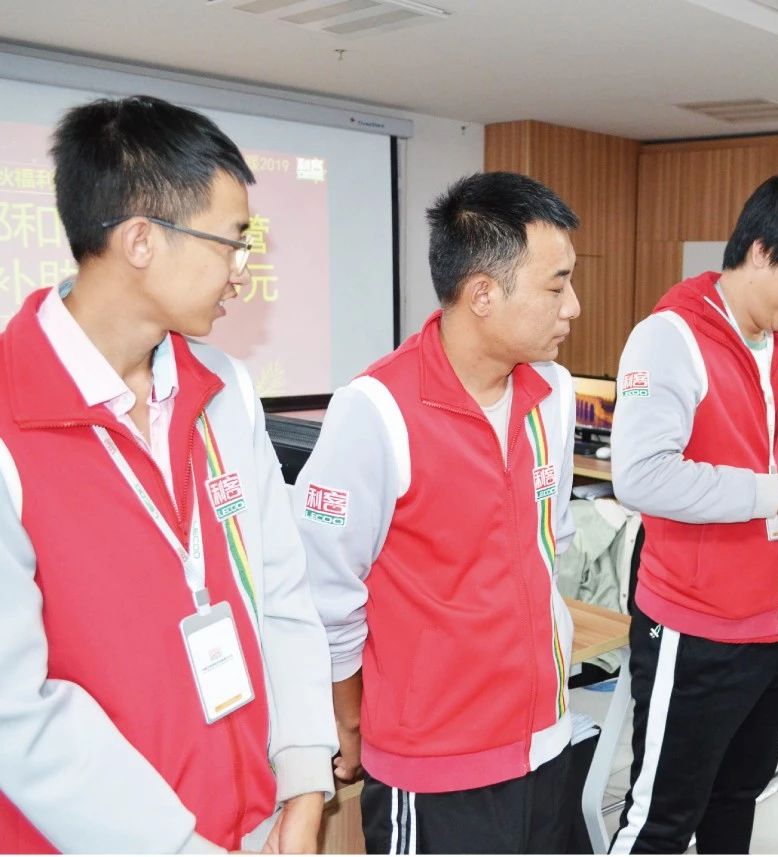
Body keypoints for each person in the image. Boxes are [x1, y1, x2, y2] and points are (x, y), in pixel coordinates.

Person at [0, 95, 337, 853]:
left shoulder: (222, 389)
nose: (242, 271)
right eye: (231, 243)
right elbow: (15, 710)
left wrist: (304, 779)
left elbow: (280, 594)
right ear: (141, 240)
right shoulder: (9, 415)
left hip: (258, 823)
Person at [298, 171, 581, 853]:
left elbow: (551, 547)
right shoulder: (376, 410)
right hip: (435, 767)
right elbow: (328, 592)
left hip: (546, 741)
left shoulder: (555, 393)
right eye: (556, 287)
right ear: (483, 293)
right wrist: (350, 726)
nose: (573, 307)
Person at [609, 168, 778, 854]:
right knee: (661, 820)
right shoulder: (670, 336)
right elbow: (640, 475)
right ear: (761, 250)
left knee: (736, 800)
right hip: (696, 629)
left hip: (776, 625)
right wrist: (777, 494)